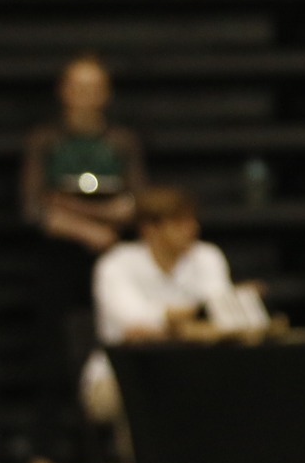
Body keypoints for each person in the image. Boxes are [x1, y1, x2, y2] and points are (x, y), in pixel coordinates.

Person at [17, 52, 145, 463]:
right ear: (64, 91)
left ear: (106, 93)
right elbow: (35, 208)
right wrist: (89, 223)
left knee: (99, 367)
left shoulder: (121, 142)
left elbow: (135, 203)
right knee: (53, 365)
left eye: (96, 86)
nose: (87, 95)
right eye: (78, 85)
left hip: (107, 264)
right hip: (57, 262)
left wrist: (73, 210)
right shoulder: (46, 140)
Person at [79, 186, 237, 445]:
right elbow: (132, 324)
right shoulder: (116, 264)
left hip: (196, 369)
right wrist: (194, 319)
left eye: (191, 220)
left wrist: (171, 323)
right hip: (120, 373)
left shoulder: (207, 257)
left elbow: (223, 315)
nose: (192, 229)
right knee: (146, 392)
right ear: (149, 229)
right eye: (179, 222)